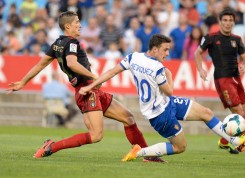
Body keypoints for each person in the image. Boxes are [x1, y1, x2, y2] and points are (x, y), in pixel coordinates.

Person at [6, 11, 163, 163]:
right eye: (76, 23)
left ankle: (147, 154)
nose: (80, 25)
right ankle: (52, 147)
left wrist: (22, 82)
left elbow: (41, 64)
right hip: (87, 90)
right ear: (67, 26)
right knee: (96, 135)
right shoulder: (72, 43)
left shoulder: (58, 44)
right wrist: (95, 77)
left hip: (90, 90)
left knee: (128, 118)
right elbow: (72, 63)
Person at [79, 34, 245, 162]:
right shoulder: (157, 68)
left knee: (206, 112)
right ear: (154, 49)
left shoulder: (133, 57)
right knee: (180, 147)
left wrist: (90, 85)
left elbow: (111, 72)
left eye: (169, 50)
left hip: (166, 104)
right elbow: (169, 90)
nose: (167, 54)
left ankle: (235, 141)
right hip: (160, 115)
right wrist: (169, 74)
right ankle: (139, 153)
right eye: (165, 50)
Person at [194, 8, 245, 156]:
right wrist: (201, 69)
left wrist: (244, 65)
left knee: (242, 116)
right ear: (220, 21)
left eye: (230, 20)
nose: (228, 23)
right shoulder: (210, 37)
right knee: (239, 112)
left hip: (236, 78)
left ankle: (224, 142)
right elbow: (197, 53)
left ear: (234, 22)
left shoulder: (237, 40)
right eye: (225, 20)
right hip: (223, 80)